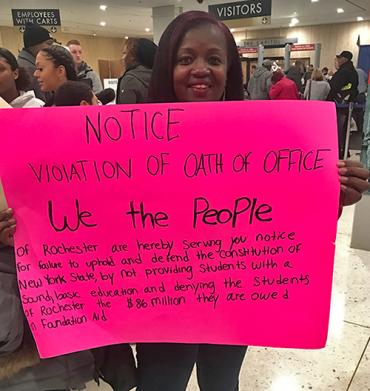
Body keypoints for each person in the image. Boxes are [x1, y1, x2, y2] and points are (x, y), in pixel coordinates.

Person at [144, 10, 369, 391]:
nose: (201, 69)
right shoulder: (130, 146)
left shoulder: (264, 140)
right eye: (186, 59)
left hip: (234, 297)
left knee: (222, 382)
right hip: (164, 302)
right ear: (167, 65)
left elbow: (280, 216)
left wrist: (330, 196)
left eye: (214, 59)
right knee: (160, 383)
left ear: (229, 70)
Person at [327, 51, 359, 158]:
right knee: (345, 129)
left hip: (340, 104)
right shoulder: (353, 71)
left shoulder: (343, 72)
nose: (338, 61)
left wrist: (328, 100)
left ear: (344, 59)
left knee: (339, 129)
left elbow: (334, 87)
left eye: (339, 59)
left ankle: (338, 150)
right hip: (348, 102)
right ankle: (344, 150)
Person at [17, 23, 54, 101]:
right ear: (34, 45)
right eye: (48, 44)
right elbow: (41, 104)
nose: (51, 48)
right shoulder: (29, 69)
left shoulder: (25, 64)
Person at [116, 38, 157, 104]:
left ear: (133, 57)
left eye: (124, 53)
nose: (122, 58)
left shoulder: (129, 79)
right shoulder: (162, 77)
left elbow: (126, 112)